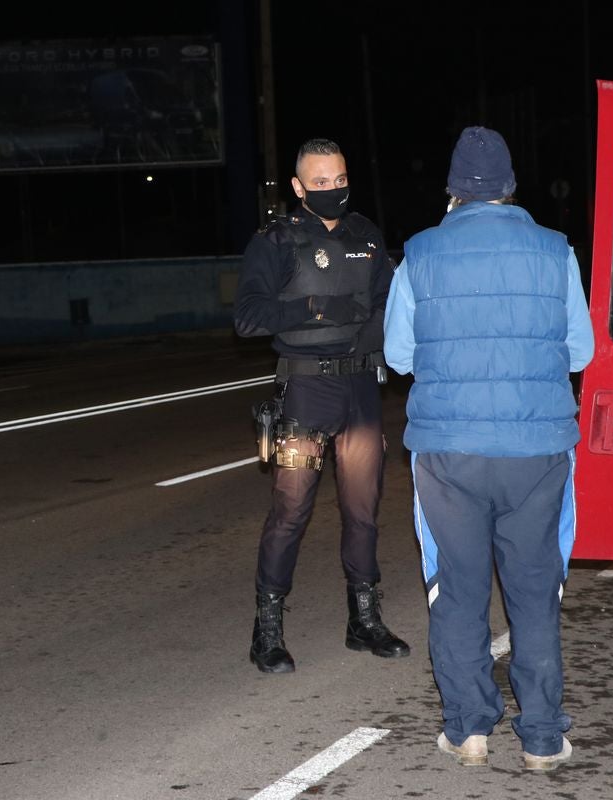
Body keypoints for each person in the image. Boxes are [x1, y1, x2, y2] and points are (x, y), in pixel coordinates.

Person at [383, 126, 594, 769]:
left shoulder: (419, 253)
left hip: (448, 453)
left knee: (457, 588)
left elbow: (397, 356)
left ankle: (469, 728)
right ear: (510, 187)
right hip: (537, 450)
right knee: (534, 591)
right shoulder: (555, 250)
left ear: (452, 189)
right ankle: (543, 737)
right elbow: (580, 352)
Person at [234, 138, 409, 674]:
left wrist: (377, 337)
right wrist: (316, 307)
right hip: (307, 392)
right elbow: (248, 317)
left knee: (363, 511)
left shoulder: (366, 235)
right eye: (320, 182)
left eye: (339, 179)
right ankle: (267, 631)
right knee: (290, 512)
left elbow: (389, 302)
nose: (332, 189)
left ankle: (364, 621)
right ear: (297, 187)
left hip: (359, 390)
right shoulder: (276, 241)